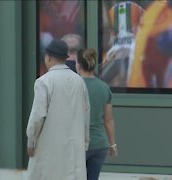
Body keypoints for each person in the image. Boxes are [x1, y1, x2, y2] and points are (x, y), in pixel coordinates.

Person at [26, 39, 90, 180]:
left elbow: (37, 117)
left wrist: (31, 142)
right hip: (74, 155)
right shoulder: (79, 81)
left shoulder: (44, 82)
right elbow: (86, 116)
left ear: (48, 57)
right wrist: (84, 144)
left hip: (49, 153)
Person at [76, 48, 118, 180]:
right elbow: (108, 120)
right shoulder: (104, 87)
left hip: (79, 144)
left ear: (79, 64)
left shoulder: (74, 86)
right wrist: (112, 144)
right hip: (100, 144)